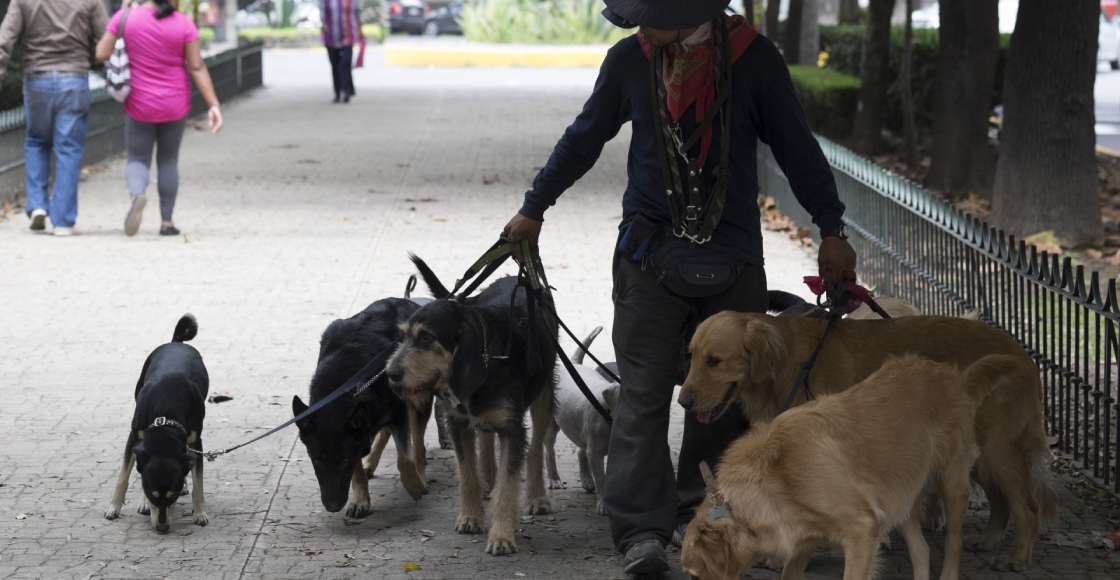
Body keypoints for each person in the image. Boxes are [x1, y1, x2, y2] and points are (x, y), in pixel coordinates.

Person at [501, 0, 858, 576]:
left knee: (726, 401)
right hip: (648, 256)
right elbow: (584, 137)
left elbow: (797, 147)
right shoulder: (629, 61)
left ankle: (713, 519)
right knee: (640, 394)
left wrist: (832, 228)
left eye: (649, 14)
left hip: (734, 259)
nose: (639, 26)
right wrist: (534, 208)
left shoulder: (755, 60)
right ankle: (640, 533)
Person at [95, 0, 223, 237]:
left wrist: (123, 15)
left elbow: (101, 53)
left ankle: (137, 195)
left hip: (139, 103)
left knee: (137, 159)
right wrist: (213, 104)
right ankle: (167, 222)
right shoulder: (184, 24)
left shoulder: (126, 18)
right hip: (175, 103)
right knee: (168, 161)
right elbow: (196, 66)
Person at [0, 0, 108, 237]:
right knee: (68, 149)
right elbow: (106, 37)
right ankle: (63, 221)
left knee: (37, 141)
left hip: (37, 79)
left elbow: (4, 39)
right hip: (74, 79)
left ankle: (38, 204)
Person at [320, 0, 362, 104]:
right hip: (331, 35)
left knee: (345, 62)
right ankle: (337, 93)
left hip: (348, 35)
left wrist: (360, 30)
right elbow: (321, 12)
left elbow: (358, 13)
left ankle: (347, 90)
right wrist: (323, 23)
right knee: (335, 65)